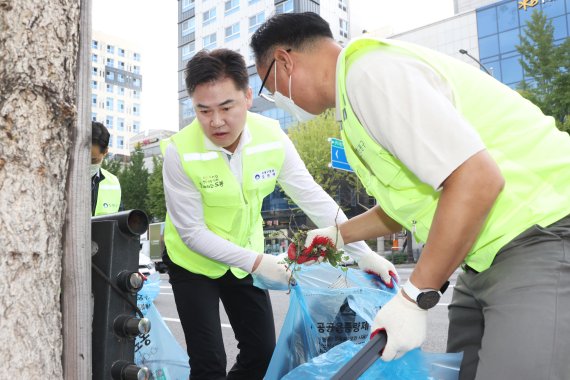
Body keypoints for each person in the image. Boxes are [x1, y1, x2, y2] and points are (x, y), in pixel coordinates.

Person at [250, 12, 570, 380]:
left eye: (269, 88)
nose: (275, 99)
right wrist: (339, 236)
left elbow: (477, 178)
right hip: (484, 254)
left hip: (540, 232)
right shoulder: (353, 106)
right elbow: (409, 204)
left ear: (285, 61)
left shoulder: (369, 74)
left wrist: (416, 295)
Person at [161, 48, 398, 380]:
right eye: (204, 110)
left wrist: (364, 254)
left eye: (226, 107)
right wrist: (260, 263)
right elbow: (192, 233)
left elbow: (313, 198)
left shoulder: (272, 137)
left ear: (247, 97)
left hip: (246, 257)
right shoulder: (179, 151)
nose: (216, 121)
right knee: (208, 362)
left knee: (262, 355)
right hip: (193, 263)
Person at [91, 121, 122, 216]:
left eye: (93, 159)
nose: (87, 163)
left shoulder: (114, 182)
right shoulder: (63, 178)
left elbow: (119, 219)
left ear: (106, 152)